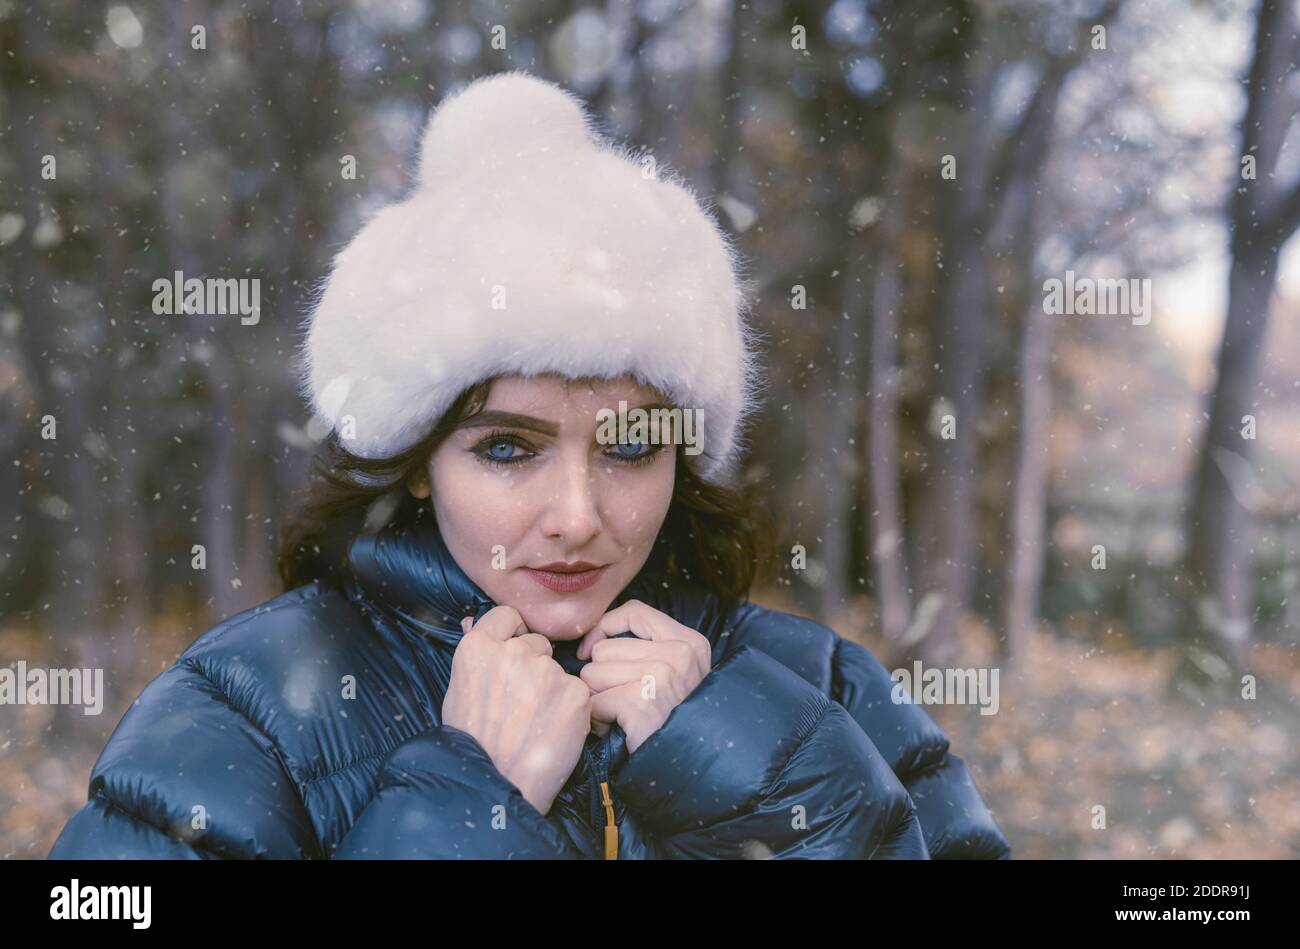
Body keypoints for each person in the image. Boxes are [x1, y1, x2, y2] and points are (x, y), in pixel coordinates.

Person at [48, 70, 1010, 860]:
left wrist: (792, 782)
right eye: (508, 447)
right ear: (419, 458)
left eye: (631, 445)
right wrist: (463, 802)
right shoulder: (240, 712)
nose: (578, 515)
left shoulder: (821, 688)